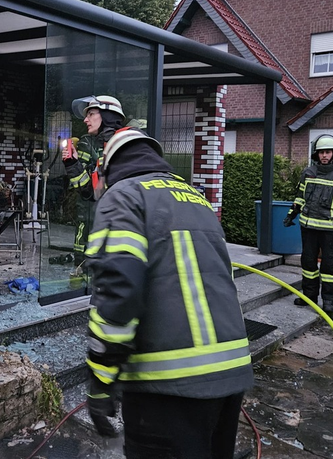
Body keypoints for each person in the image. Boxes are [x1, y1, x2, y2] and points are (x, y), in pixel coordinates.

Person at [84, 128, 254, 458]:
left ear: (108, 166)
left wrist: (101, 381)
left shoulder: (124, 195)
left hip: (167, 388)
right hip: (231, 376)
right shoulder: (196, 198)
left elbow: (119, 292)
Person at [284, 134, 333, 313]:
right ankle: (309, 298)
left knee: (328, 266)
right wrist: (291, 214)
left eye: (327, 152)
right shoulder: (308, 173)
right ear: (316, 155)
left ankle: (329, 301)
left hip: (331, 230)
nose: (324, 155)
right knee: (308, 263)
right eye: (321, 152)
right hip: (309, 228)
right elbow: (300, 198)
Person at [61, 95, 125, 272]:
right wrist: (72, 163)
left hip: (118, 226)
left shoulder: (125, 144)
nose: (85, 119)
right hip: (90, 219)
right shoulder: (87, 143)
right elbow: (87, 191)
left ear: (107, 116)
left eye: (91, 114)